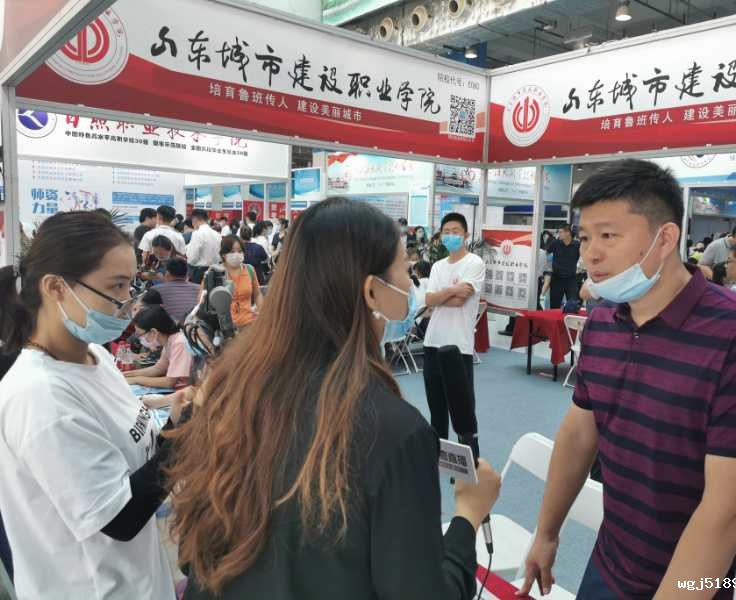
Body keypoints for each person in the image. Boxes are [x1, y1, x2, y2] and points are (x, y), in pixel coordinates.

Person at [167, 197, 501, 600]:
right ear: (372, 291)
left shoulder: (231, 389)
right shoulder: (395, 432)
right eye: (405, 271)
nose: (411, 287)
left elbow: (194, 555)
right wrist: (468, 517)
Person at [517, 159, 736, 600]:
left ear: (665, 239)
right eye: (585, 237)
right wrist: (546, 532)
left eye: (608, 236)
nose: (590, 254)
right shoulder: (604, 320)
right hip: (611, 563)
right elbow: (579, 433)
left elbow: (726, 508)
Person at [0, 211, 183, 599]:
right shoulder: (40, 397)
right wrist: (184, 436)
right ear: (56, 288)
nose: (127, 301)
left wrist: (174, 423)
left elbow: (140, 454)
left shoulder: (97, 358)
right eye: (115, 286)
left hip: (138, 581)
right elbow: (119, 518)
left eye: (130, 284)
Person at [422, 213, 485, 442]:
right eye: (446, 232)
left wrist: (441, 296)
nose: (450, 236)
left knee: (463, 417)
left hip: (459, 347)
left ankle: (470, 461)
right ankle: (438, 458)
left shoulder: (474, 263)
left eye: (455, 231)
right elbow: (429, 300)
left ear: (465, 235)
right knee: (436, 413)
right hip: (432, 343)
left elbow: (460, 301)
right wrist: (451, 290)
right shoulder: (438, 266)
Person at [124, 306, 193, 389]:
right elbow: (159, 368)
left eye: (140, 334)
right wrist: (127, 374)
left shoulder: (179, 342)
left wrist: (136, 380)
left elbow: (169, 382)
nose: (139, 338)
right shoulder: (169, 341)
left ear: (153, 332)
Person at [201, 236, 262, 328]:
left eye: (240, 251)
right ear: (223, 254)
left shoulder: (250, 269)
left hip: (249, 324)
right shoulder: (215, 272)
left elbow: (257, 294)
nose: (236, 255)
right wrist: (208, 279)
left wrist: (261, 313)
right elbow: (202, 300)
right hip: (224, 327)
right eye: (232, 251)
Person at [154, 258, 201, 323]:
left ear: (167, 273)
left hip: (170, 327)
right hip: (195, 326)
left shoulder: (155, 290)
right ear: (187, 274)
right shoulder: (200, 289)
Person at [547, 224, 581, 309]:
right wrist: (548, 269)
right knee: (554, 307)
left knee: (573, 306)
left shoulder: (577, 245)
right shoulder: (555, 243)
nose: (559, 234)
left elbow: (585, 257)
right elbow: (546, 254)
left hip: (571, 279)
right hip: (556, 279)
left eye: (561, 232)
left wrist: (580, 268)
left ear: (568, 233)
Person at [186, 209, 222, 285]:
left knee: (200, 292)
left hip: (200, 272)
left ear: (194, 220)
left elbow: (192, 258)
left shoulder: (197, 233)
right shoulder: (217, 234)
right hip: (216, 271)